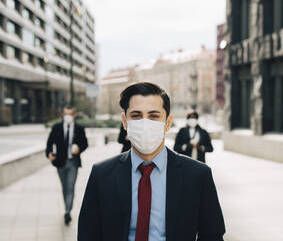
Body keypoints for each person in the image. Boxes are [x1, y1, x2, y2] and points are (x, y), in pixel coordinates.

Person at [78, 82, 225, 241]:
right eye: (136, 116)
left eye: (154, 116)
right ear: (125, 121)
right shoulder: (102, 174)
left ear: (167, 123)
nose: (145, 123)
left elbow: (212, 235)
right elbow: (88, 234)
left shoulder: (198, 175)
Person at [46, 106, 88, 225]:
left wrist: (79, 148)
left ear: (74, 115)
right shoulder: (57, 128)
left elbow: (85, 143)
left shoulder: (79, 129)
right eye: (65, 114)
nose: (67, 116)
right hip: (60, 162)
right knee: (64, 187)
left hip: (73, 162)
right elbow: (50, 143)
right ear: (63, 115)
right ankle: (67, 207)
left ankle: (68, 212)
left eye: (70, 114)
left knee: (70, 187)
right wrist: (49, 153)